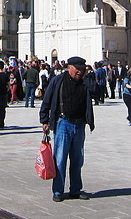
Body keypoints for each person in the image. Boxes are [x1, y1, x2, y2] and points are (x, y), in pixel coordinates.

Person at [39, 56, 95, 203]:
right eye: (77, 69)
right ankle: (58, 190)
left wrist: (88, 78)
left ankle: (75, 190)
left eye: (82, 69)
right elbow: (47, 100)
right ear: (69, 67)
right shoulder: (58, 81)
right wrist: (44, 120)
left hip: (79, 124)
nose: (80, 72)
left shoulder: (85, 81)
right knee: (60, 159)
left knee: (77, 159)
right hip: (63, 123)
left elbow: (96, 91)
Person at [0, 60, 10, 129]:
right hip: (4, 93)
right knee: (3, 108)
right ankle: (2, 121)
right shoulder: (6, 75)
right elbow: (8, 85)